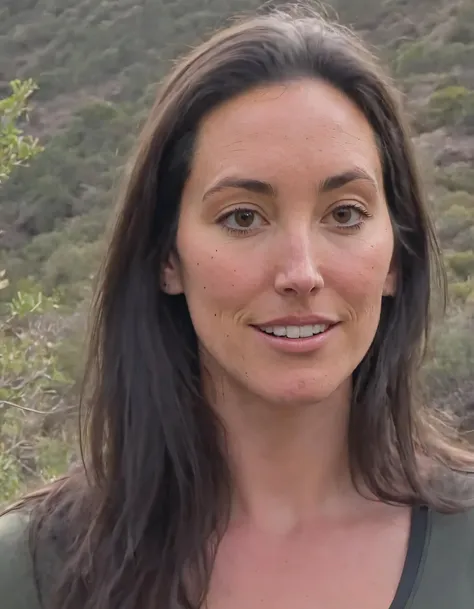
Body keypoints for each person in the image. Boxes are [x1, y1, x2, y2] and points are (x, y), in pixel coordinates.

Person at [1, 4, 474, 609]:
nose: (301, 273)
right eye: (243, 218)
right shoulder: (34, 572)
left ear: (394, 257)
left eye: (345, 214)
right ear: (167, 257)